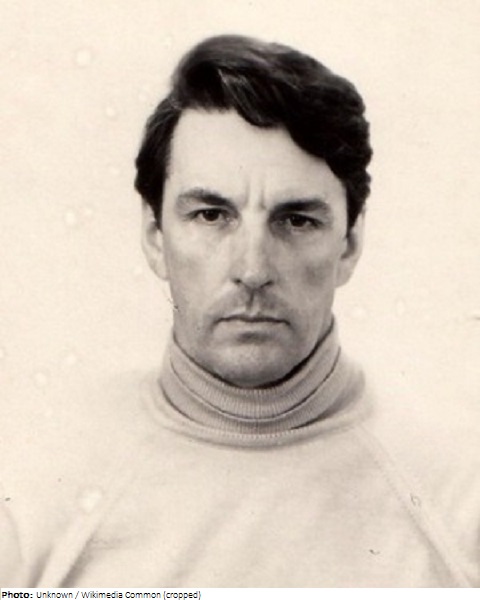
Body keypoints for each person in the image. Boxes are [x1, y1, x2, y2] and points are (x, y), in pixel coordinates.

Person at [4, 34, 479, 588]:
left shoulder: (460, 506)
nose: (252, 270)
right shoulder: (30, 498)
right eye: (211, 215)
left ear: (349, 243)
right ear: (155, 235)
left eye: (296, 220)